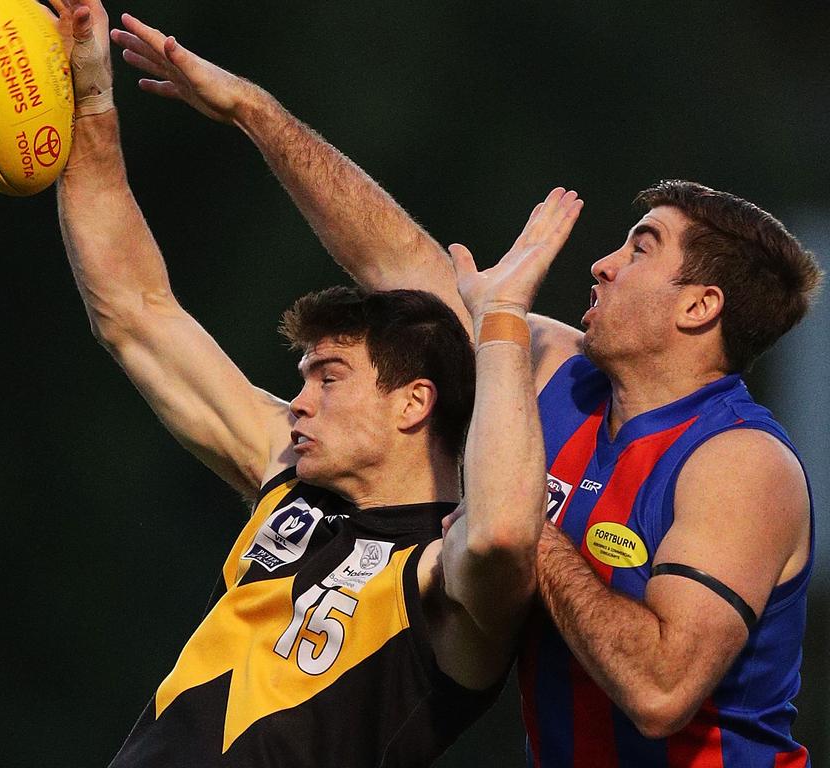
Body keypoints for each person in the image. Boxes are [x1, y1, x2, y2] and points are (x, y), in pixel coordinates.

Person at [111, 15, 824, 767]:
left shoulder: (740, 464)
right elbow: (393, 257)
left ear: (699, 307)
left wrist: (516, 522)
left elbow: (658, 691)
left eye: (640, 248)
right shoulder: (559, 377)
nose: (603, 265)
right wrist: (254, 112)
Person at [48, 1, 584, 765]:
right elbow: (135, 313)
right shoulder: (290, 482)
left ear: (414, 402)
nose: (297, 401)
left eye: (329, 379)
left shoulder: (444, 574)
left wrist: (500, 316)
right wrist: (91, 102)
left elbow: (502, 533)